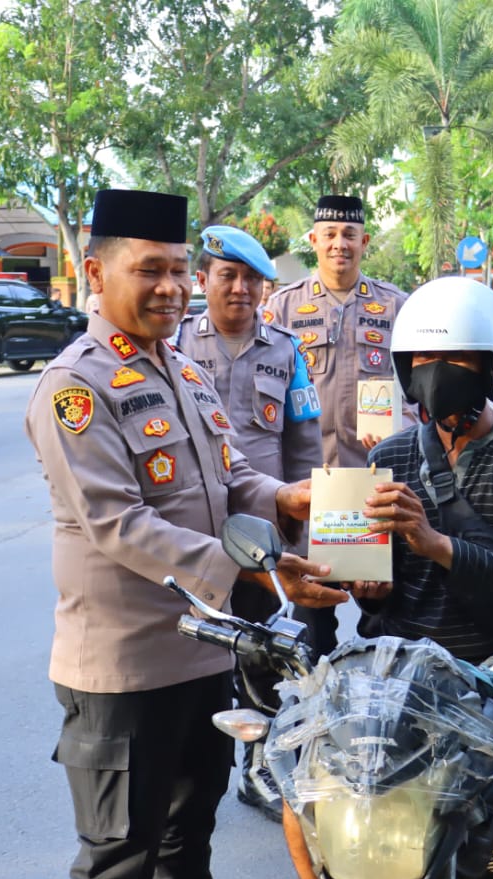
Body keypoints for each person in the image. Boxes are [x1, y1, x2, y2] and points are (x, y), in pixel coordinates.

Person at [24, 188, 348, 879]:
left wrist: (287, 498)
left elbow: (233, 475)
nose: (170, 287)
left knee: (186, 852)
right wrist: (256, 575)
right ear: (96, 271)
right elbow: (119, 523)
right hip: (125, 671)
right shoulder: (76, 387)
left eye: (176, 269)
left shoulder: (182, 369)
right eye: (149, 270)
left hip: (202, 656)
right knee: (118, 866)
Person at [330, 276, 493, 879]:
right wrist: (362, 584)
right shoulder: (388, 453)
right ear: (404, 369)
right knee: (310, 786)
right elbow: (377, 588)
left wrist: (436, 544)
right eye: (424, 361)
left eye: (460, 360)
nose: (439, 373)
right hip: (398, 671)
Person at [173, 223, 323, 822]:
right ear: (203, 279)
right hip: (193, 531)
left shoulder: (287, 351)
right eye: (227, 276)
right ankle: (196, 764)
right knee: (199, 649)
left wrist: (297, 536)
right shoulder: (176, 343)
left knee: (264, 651)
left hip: (263, 535)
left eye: (251, 279)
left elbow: (305, 446)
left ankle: (258, 767)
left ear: (264, 287)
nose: (239, 288)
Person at [264, 194, 413, 655]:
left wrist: (401, 424)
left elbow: (419, 390)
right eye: (329, 234)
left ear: (365, 241)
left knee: (390, 638)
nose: (339, 244)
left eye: (349, 235)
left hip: (378, 495)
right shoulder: (283, 310)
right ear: (313, 240)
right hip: (310, 498)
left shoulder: (397, 307)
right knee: (309, 641)